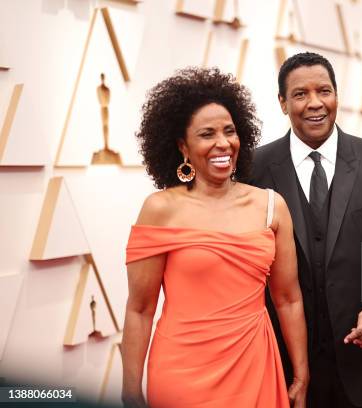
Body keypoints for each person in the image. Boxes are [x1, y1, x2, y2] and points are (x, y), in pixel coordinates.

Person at [121, 67, 308, 408]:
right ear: (183, 147)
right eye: (207, 134)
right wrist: (131, 390)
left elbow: (288, 298)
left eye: (229, 131)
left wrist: (300, 372)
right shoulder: (160, 209)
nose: (223, 143)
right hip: (180, 373)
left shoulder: (271, 206)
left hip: (255, 367)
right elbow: (140, 309)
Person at [250, 52, 362, 407]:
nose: (315, 103)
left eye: (324, 91)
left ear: (337, 96)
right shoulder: (254, 168)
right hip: (289, 369)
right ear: (282, 103)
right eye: (300, 94)